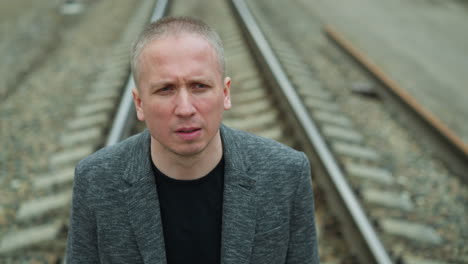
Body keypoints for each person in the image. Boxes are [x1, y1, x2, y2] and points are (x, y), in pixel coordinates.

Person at [66, 16, 319, 264]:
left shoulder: (287, 174)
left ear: (225, 93)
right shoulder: (95, 180)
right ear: (139, 103)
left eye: (199, 86)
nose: (185, 108)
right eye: (166, 89)